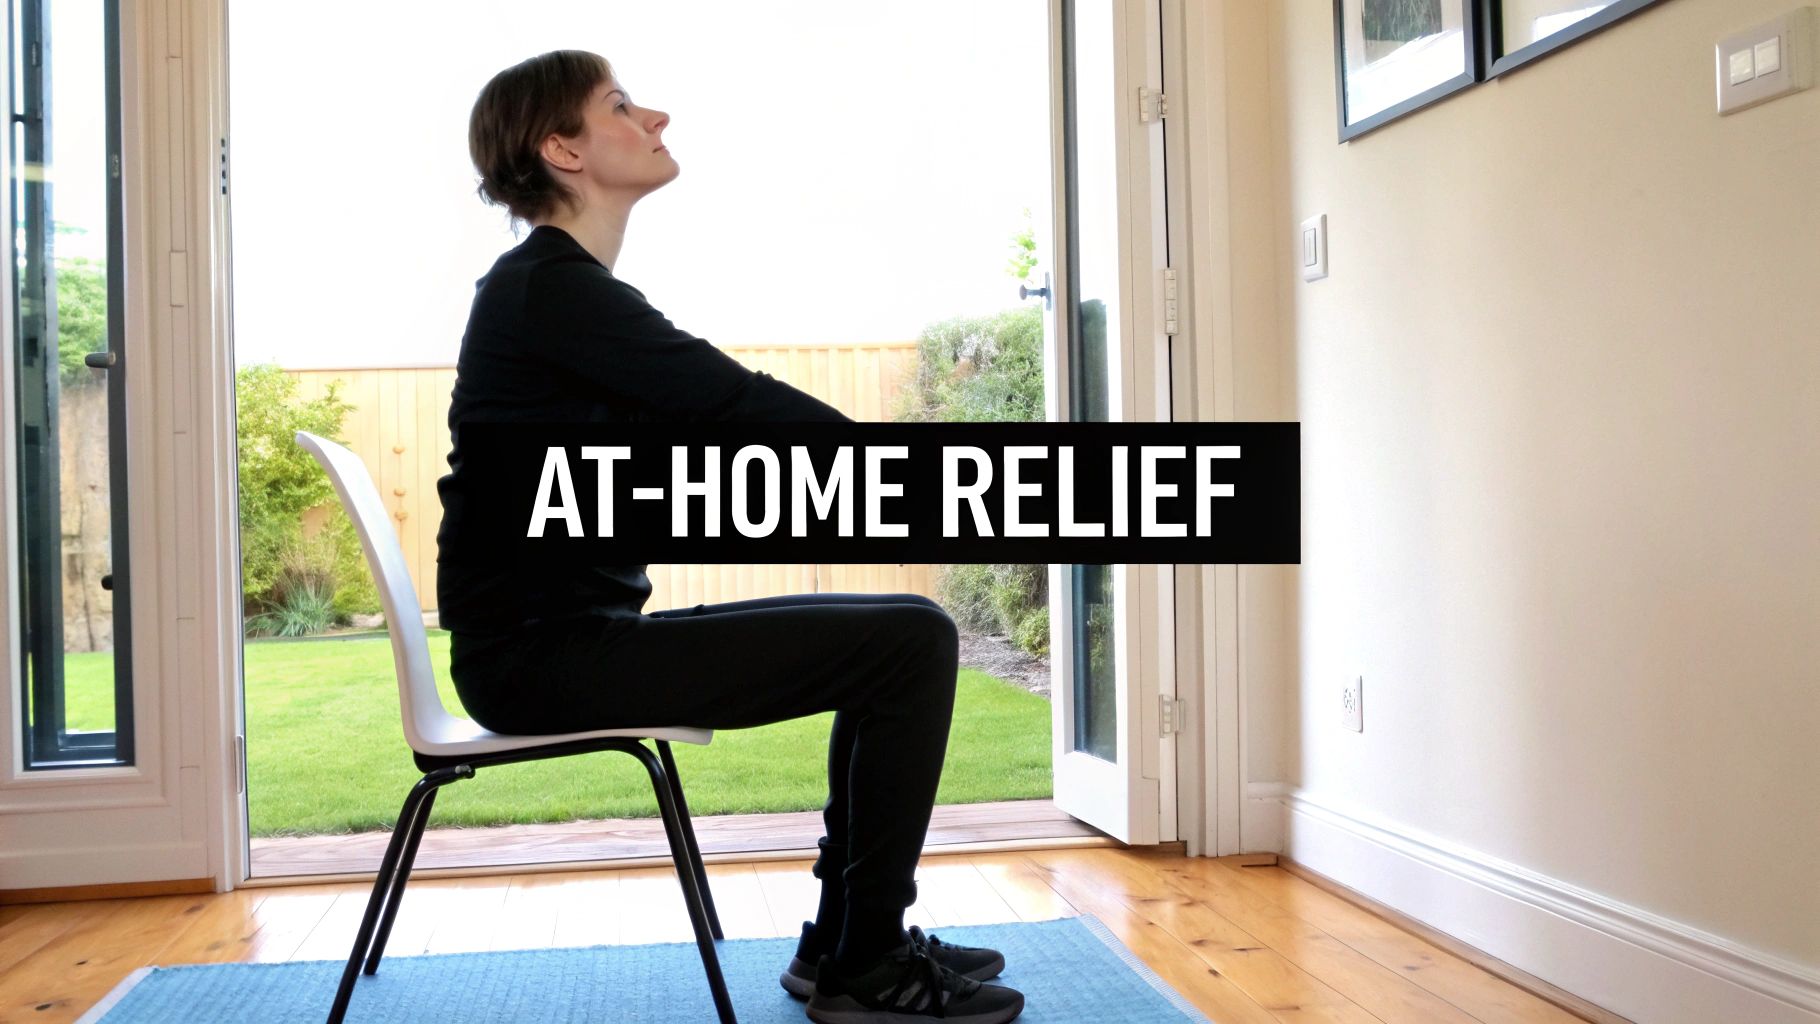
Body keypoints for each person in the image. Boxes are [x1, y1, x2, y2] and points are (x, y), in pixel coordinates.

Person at [437, 50, 1025, 1024]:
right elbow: (729, 403)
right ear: (562, 149)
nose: (655, 116)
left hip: (561, 645)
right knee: (910, 642)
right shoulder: (549, 290)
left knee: (898, 634)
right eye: (622, 106)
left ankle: (840, 944)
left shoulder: (549, 293)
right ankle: (865, 960)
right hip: (545, 659)